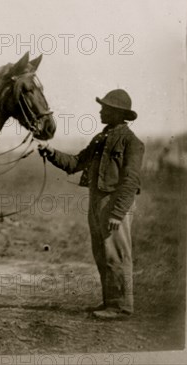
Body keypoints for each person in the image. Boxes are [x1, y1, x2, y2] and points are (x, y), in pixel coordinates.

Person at [38, 89, 144, 320]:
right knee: (102, 253)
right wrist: (51, 152)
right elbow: (76, 162)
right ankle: (110, 303)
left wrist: (117, 212)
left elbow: (130, 181)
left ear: (117, 113)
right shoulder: (101, 139)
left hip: (115, 205)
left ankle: (121, 307)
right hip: (96, 201)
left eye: (105, 108)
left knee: (116, 254)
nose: (100, 111)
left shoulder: (132, 142)